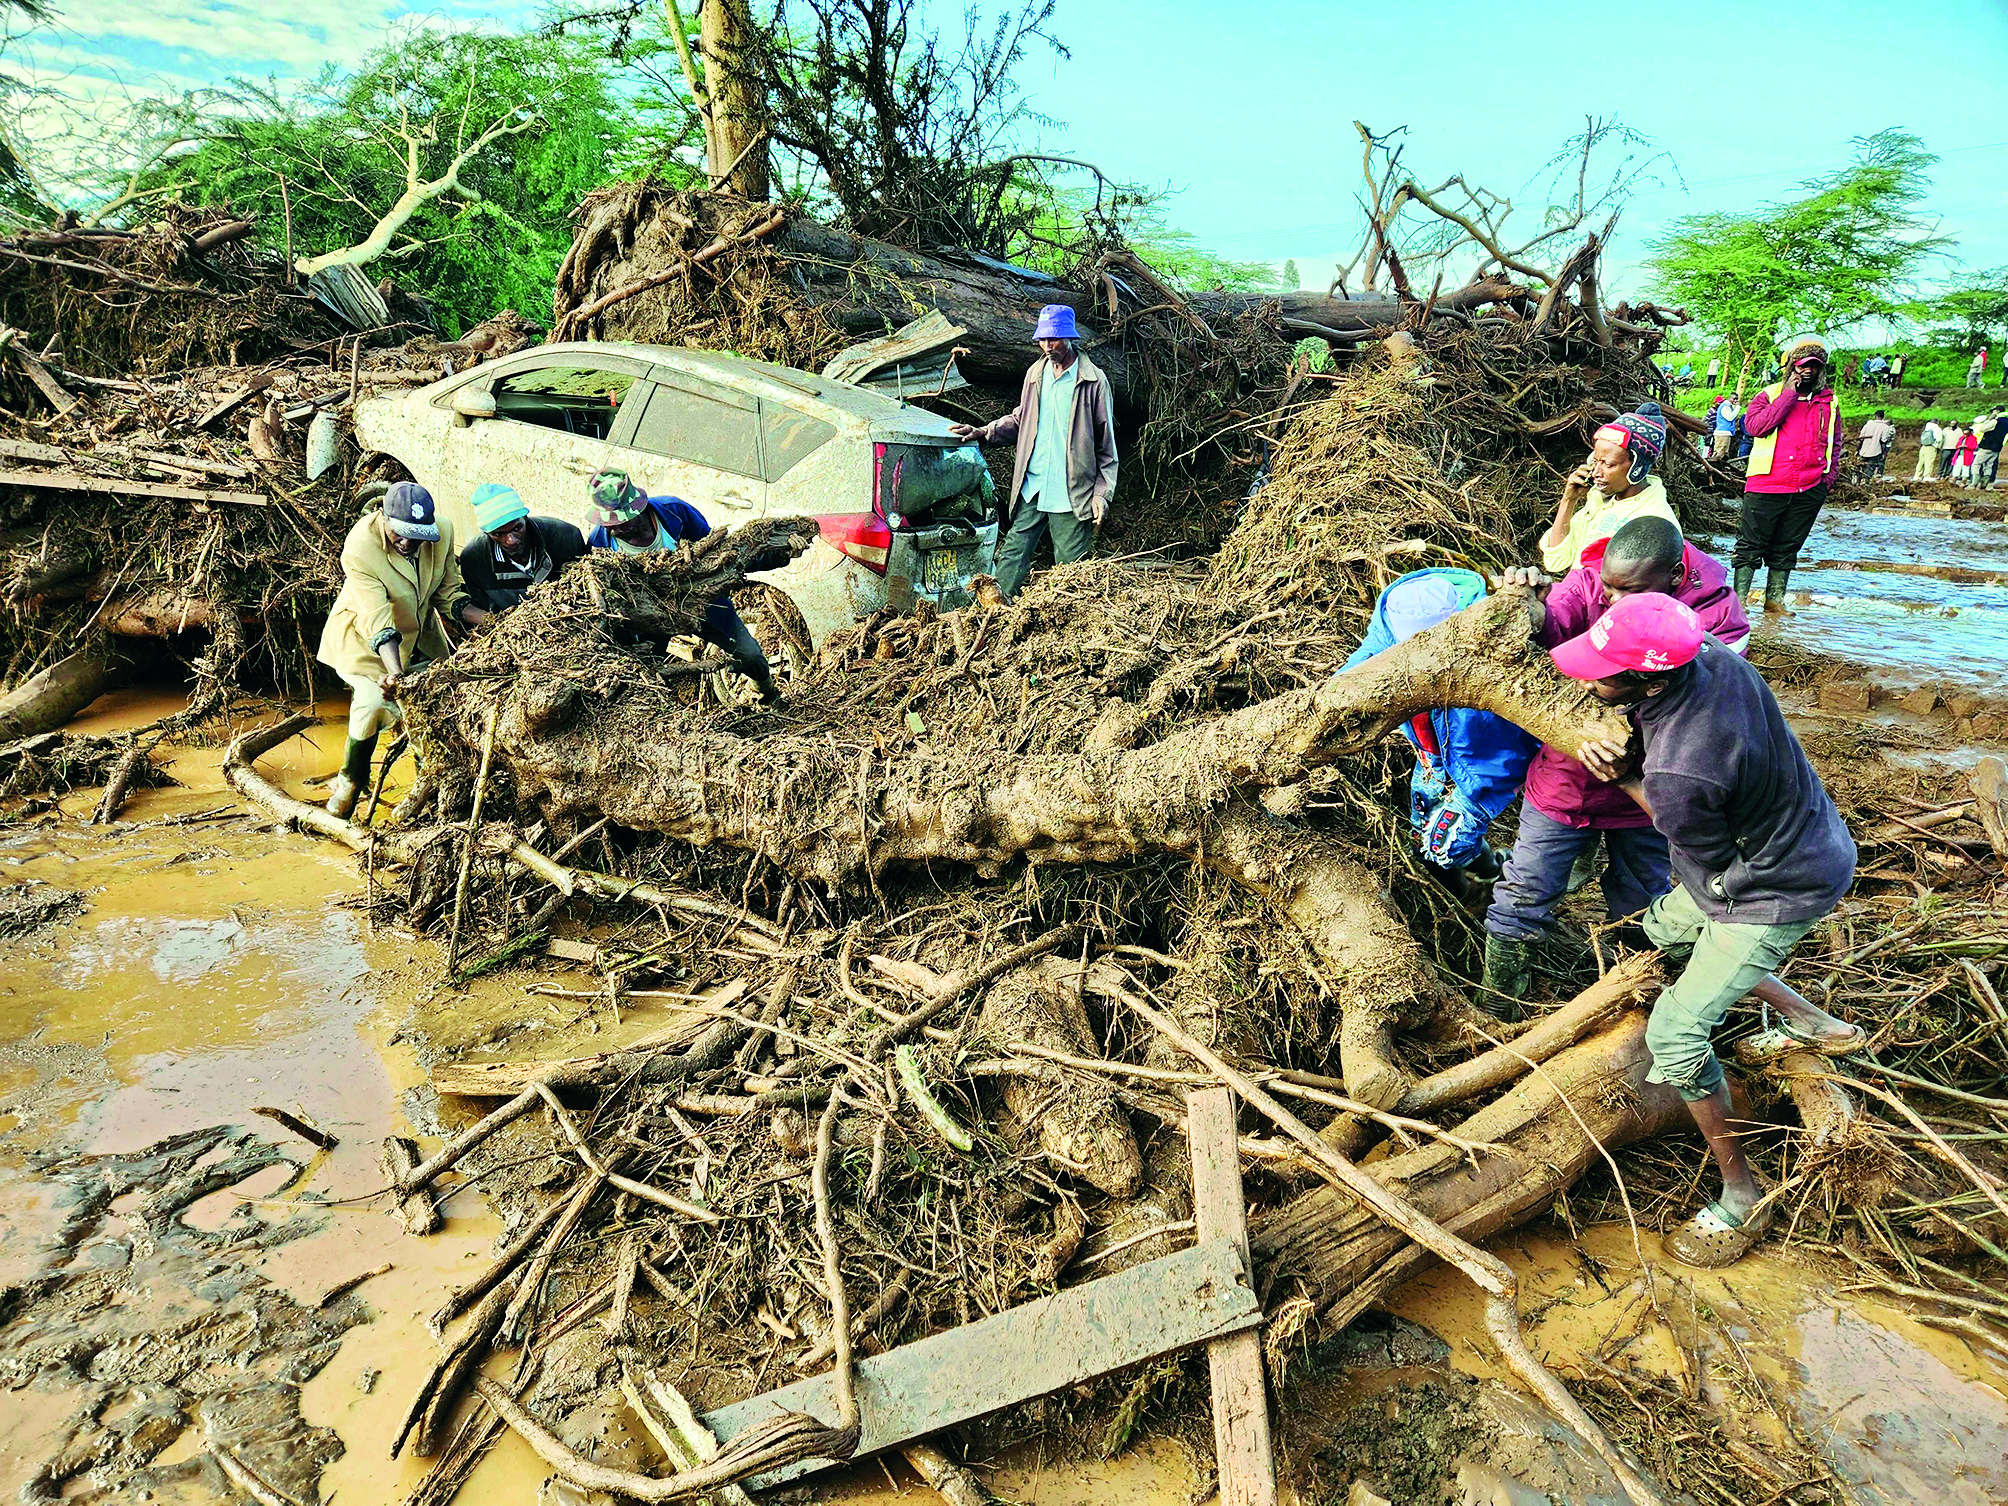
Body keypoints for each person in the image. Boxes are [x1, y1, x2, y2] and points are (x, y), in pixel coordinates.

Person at [1557, 591, 1863, 1268]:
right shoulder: (1715, 657)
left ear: (1651, 678)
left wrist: (1626, 773)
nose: (1588, 677)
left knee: (1675, 1029)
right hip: (1800, 834)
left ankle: (1740, 1194)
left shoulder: (1679, 770)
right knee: (1666, 931)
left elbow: (1693, 840)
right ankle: (1815, 1022)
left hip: (1775, 886)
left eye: (1603, 670)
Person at [1483, 518, 1750, 1010]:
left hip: (1653, 790)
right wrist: (1524, 603)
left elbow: (1711, 706)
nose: (1609, 598)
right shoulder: (1590, 581)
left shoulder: (1713, 612)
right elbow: (1548, 627)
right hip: (1570, 774)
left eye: (1627, 591)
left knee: (1643, 897)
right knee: (1525, 890)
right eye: (1607, 585)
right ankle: (1499, 1005)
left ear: (1673, 577)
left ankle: (1631, 998)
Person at [1339, 569, 1538, 900]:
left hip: (1481, 768)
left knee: (1447, 845)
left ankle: (1490, 881)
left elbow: (1507, 739)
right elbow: (1354, 671)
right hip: (1432, 760)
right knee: (1422, 834)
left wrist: (1477, 792)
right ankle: (1475, 884)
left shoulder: (1484, 645)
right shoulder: (1390, 623)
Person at [317, 481, 490, 819]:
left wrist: (493, 621)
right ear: (383, 517)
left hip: (418, 639)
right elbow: (378, 618)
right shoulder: (360, 548)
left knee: (436, 708)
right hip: (365, 641)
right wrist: (396, 675)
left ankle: (425, 793)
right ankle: (350, 783)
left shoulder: (441, 533)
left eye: (418, 534)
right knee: (372, 702)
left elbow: (449, 595)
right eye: (401, 534)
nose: (409, 542)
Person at [949, 304, 1117, 600]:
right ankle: (992, 617)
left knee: (1072, 575)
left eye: (1054, 340)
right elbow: (1021, 419)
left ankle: (1067, 635)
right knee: (1011, 558)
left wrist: (1101, 494)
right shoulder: (1036, 374)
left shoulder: (1093, 381)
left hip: (1071, 493)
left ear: (1070, 338)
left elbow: (1107, 448)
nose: (1047, 346)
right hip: (1034, 486)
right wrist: (984, 432)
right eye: (1042, 339)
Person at [582, 469, 782, 701]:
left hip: (700, 602)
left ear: (637, 508)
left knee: (749, 654)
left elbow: (720, 556)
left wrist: (780, 554)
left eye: (621, 521)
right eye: (609, 523)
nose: (614, 529)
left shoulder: (674, 512)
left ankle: (767, 693)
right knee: (643, 676)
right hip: (647, 617)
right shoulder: (599, 541)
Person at [1734, 336, 1840, 615]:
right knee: (1750, 544)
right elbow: (1756, 427)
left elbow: (1835, 441)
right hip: (1767, 483)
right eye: (1802, 366)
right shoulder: (1769, 395)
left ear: (1821, 370)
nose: (1807, 371)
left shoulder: (1830, 402)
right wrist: (1788, 395)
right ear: (1791, 367)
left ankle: (1775, 600)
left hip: (1809, 487)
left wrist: (1827, 480)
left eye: (1814, 367)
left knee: (1788, 545)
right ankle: (1738, 602)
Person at [1538, 403, 1679, 573]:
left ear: (1637, 467)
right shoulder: (1599, 503)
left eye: (1608, 464)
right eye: (1595, 461)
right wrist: (1568, 500)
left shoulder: (1655, 520)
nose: (1596, 472)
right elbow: (1555, 562)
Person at [458, 481, 587, 612]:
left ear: (525, 517)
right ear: (486, 533)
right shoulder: (474, 560)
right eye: (498, 534)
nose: (511, 540)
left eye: (517, 528)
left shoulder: (565, 538)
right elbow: (487, 614)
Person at [1855, 409, 1896, 478]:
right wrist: (1884, 454)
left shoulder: (1867, 425)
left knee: (1860, 469)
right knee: (1869, 471)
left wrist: (1857, 450)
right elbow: (1883, 441)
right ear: (1883, 417)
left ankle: (1858, 484)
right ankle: (1866, 485)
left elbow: (1860, 439)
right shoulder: (1885, 427)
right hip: (1875, 452)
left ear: (1875, 416)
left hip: (1863, 452)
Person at [1974, 408, 2006, 490]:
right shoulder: (2006, 422)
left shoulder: (1995, 421)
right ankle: (1988, 483)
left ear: (1997, 412)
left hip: (1987, 445)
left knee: (1977, 464)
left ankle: (1974, 483)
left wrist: (1989, 419)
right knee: (1990, 466)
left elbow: (1982, 429)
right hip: (1997, 447)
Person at [1709, 395, 1741, 462]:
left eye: (1737, 399)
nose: (1735, 401)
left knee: (1724, 453)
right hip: (1722, 433)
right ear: (1730, 398)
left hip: (1725, 433)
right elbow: (1730, 417)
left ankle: (1720, 467)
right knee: (1720, 453)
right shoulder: (1725, 406)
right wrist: (1737, 408)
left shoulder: (1728, 406)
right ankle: (1713, 467)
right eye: (1734, 399)